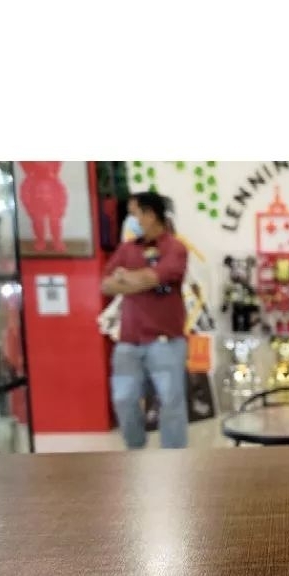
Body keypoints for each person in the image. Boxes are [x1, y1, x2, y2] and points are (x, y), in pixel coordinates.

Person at [102, 191, 189, 449]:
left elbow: (154, 278)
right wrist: (139, 280)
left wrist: (126, 278)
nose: (132, 220)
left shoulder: (175, 248)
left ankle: (174, 459)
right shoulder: (127, 249)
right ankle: (136, 449)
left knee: (171, 403)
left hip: (166, 341)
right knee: (123, 398)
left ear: (150, 215)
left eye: (135, 214)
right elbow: (106, 284)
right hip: (128, 342)